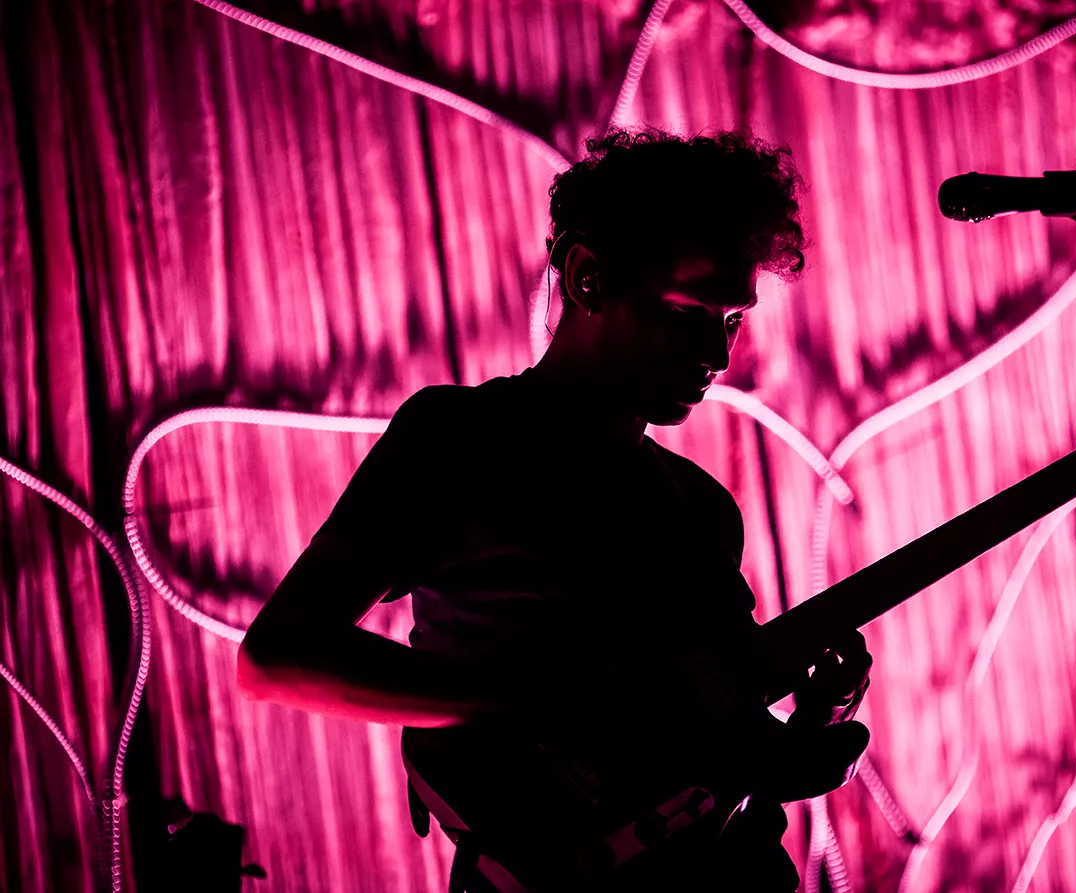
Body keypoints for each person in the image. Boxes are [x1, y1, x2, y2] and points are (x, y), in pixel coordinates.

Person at [237, 128, 872, 891]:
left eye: (732, 319)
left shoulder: (704, 509)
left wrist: (819, 712)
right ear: (586, 277)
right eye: (688, 311)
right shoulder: (459, 439)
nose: (718, 353)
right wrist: (532, 704)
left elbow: (718, 741)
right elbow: (278, 655)